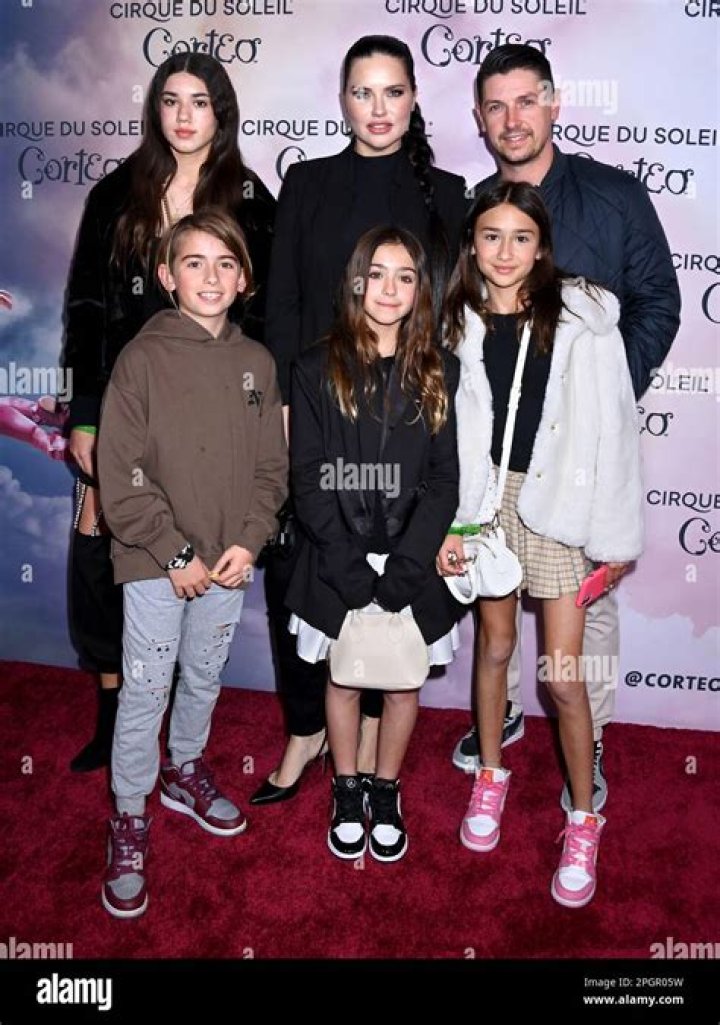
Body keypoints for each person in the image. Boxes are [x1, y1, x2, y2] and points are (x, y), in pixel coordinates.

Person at [452, 44, 680, 813]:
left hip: (583, 459)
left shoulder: (613, 196)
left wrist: (599, 401)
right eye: (496, 106)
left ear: (555, 104)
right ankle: (503, 722)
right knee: (497, 616)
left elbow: (659, 301)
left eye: (527, 101)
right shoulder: (477, 206)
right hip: (500, 469)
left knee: (584, 614)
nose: (512, 119)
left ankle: (594, 739)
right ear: (480, 118)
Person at [254, 33, 467, 805]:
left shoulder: (449, 193)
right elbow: (281, 304)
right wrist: (284, 408)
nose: (378, 108)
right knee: (304, 572)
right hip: (316, 415)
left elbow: (450, 321)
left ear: (414, 99)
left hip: (404, 422)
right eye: (362, 92)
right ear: (342, 99)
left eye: (393, 91)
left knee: (392, 569)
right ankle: (306, 727)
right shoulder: (307, 183)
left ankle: (375, 741)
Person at [61, 52, 275, 773]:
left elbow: (268, 317)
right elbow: (86, 307)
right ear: (154, 109)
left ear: (222, 113)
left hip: (212, 415)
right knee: (101, 551)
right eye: (171, 100)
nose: (185, 116)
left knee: (199, 566)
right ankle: (115, 712)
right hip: (123, 403)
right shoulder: (116, 193)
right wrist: (85, 414)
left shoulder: (252, 198)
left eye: (200, 102)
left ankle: (183, 739)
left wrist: (269, 408)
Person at [438, 182, 643, 906]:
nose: (505, 252)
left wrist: (616, 541)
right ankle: (491, 775)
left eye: (521, 237)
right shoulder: (457, 321)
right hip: (486, 503)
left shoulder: (583, 319)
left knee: (562, 676)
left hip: (558, 503)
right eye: (490, 236)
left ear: (542, 245)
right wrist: (454, 521)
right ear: (471, 244)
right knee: (494, 648)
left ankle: (584, 817)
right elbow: (450, 433)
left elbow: (616, 429)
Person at [96, 210, 287, 918]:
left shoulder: (258, 363)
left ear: (244, 279)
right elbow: (120, 475)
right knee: (146, 688)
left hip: (228, 560)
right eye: (195, 262)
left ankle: (183, 769)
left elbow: (271, 470)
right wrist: (174, 552)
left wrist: (251, 539)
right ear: (167, 276)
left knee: (203, 675)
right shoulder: (141, 359)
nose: (211, 277)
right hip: (156, 561)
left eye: (225, 263)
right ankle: (129, 812)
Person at [287, 225, 461, 861]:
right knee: (344, 677)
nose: (390, 289)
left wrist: (409, 566)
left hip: (411, 557)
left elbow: (444, 480)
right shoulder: (314, 367)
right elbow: (308, 476)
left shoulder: (440, 370)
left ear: (420, 290)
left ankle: (385, 788)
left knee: (401, 682)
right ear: (356, 282)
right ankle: (346, 784)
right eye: (378, 274)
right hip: (338, 555)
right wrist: (346, 564)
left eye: (405, 277)